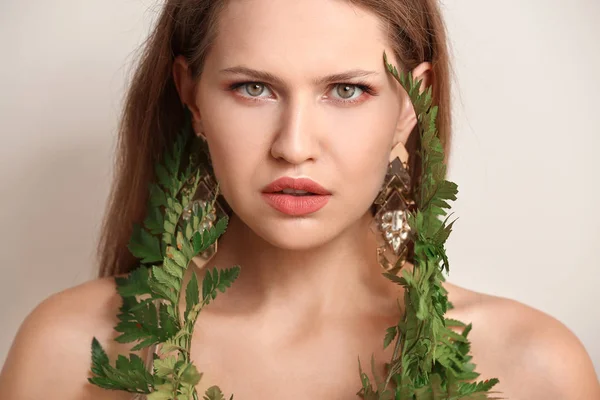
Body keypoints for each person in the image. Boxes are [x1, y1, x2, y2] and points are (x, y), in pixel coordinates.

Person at [1, 0, 598, 399]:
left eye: (346, 90)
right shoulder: (70, 352)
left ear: (413, 104)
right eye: (253, 88)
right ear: (192, 98)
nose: (293, 146)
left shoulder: (532, 371)